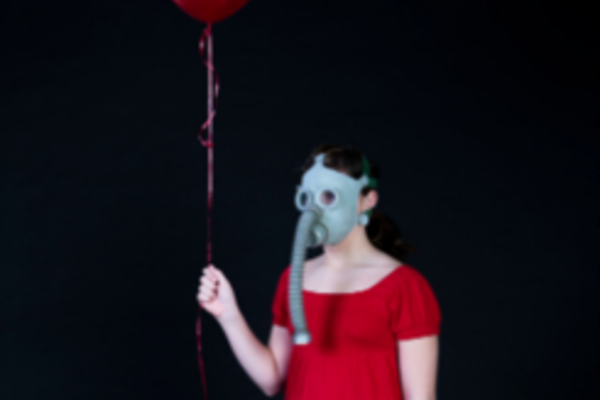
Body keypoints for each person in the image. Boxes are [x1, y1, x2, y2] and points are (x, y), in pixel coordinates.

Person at [197, 143, 441, 399]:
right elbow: (272, 380)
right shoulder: (294, 278)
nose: (315, 210)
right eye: (308, 198)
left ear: (367, 200)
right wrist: (229, 316)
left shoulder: (404, 286)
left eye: (329, 196)